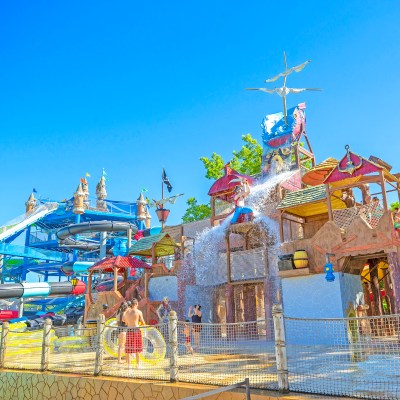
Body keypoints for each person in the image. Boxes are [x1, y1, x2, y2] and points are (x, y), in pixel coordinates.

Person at [123, 298, 145, 370]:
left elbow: (124, 321)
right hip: (136, 331)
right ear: (136, 304)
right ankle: (138, 365)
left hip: (129, 331)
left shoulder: (126, 312)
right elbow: (143, 322)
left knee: (129, 349)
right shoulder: (138, 312)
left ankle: (129, 365)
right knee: (137, 349)